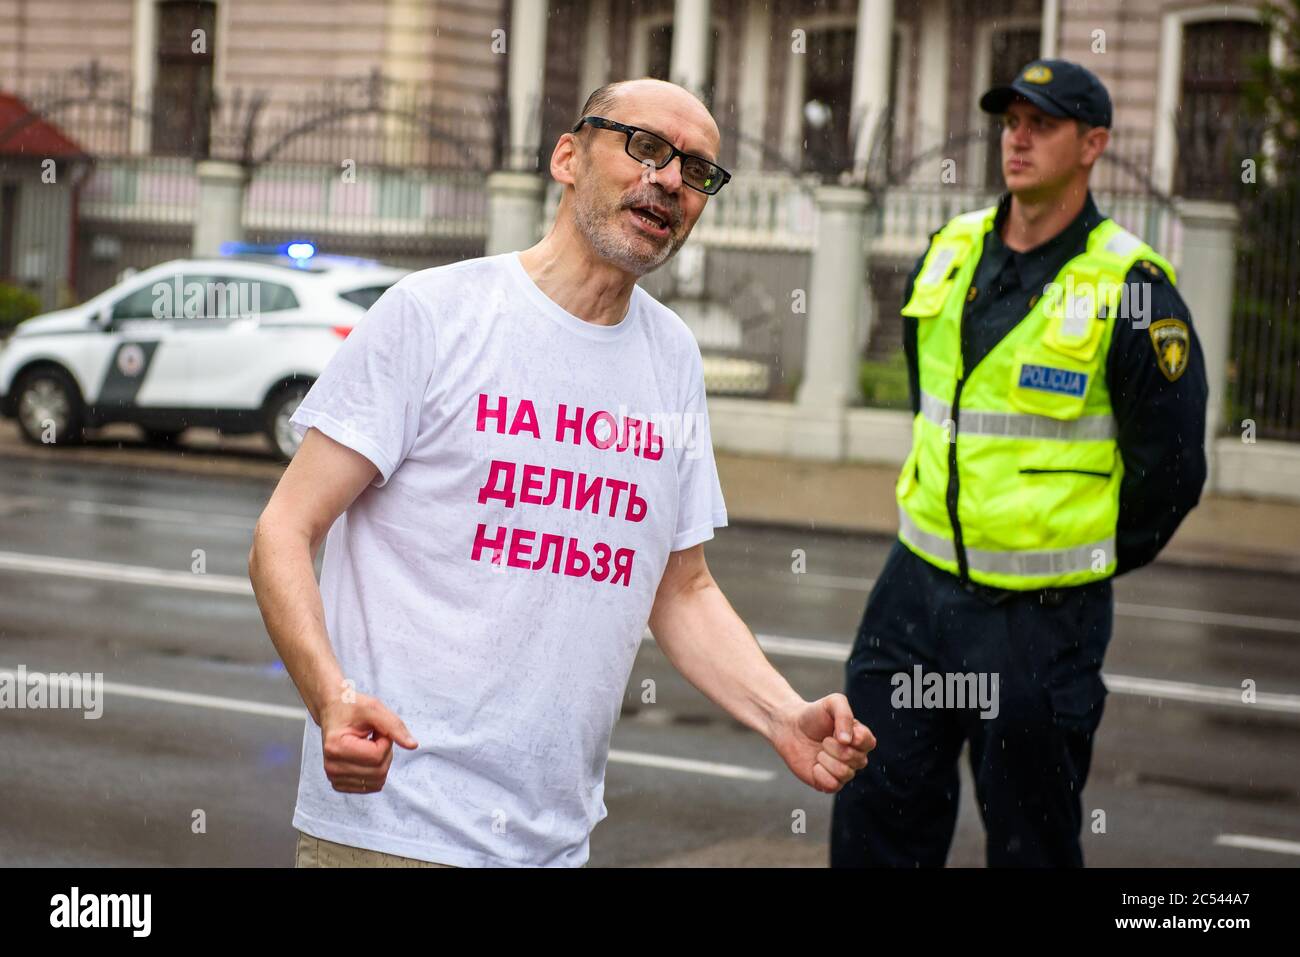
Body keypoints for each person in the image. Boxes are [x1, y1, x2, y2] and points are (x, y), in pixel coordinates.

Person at [248, 77, 875, 869]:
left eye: (697, 170)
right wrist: (330, 698)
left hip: (554, 843)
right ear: (568, 157)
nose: (671, 180)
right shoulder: (434, 316)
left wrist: (783, 714)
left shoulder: (671, 355)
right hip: (393, 829)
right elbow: (283, 529)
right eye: (644, 146)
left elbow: (681, 588)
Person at [830, 59, 1208, 867]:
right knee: (875, 813)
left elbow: (1172, 471)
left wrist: (1077, 553)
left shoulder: (1130, 286)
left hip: (1039, 619)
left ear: (1093, 143)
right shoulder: (951, 247)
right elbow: (938, 404)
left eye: (1043, 123)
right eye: (1010, 122)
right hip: (913, 591)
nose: (1019, 138)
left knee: (1030, 840)